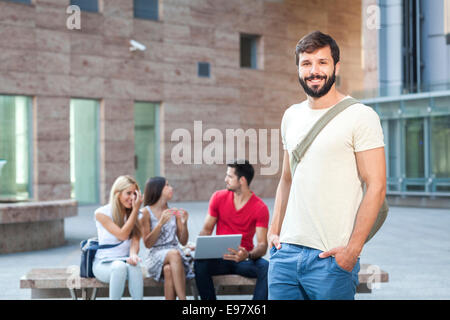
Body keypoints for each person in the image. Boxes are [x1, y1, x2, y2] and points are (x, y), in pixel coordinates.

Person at [267, 30, 387, 300]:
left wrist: (352, 251)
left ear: (336, 66)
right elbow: (286, 179)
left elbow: (377, 186)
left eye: (322, 62)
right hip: (285, 256)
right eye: (306, 63)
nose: (314, 71)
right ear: (298, 68)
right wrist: (274, 232)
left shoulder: (361, 116)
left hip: (331, 260)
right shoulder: (291, 115)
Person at [194, 160, 270, 300]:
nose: (225, 179)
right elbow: (206, 230)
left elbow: (262, 245)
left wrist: (247, 254)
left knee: (267, 268)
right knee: (199, 264)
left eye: (229, 176)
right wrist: (200, 247)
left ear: (242, 180)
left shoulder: (260, 208)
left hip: (243, 261)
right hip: (219, 259)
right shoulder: (218, 197)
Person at [140, 177, 194, 300]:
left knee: (169, 270)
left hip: (175, 259)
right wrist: (160, 223)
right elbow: (148, 244)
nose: (171, 188)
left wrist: (184, 223)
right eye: (167, 185)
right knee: (174, 254)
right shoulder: (145, 213)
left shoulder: (174, 212)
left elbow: (183, 241)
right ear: (157, 189)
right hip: (155, 255)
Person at [93, 175, 144, 300]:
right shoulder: (101, 213)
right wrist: (135, 210)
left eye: (135, 193)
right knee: (119, 266)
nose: (132, 198)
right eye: (128, 193)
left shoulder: (138, 215)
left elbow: (135, 240)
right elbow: (122, 235)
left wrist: (133, 255)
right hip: (104, 264)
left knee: (135, 266)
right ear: (117, 194)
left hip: (125, 262)